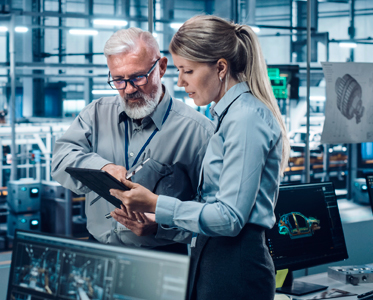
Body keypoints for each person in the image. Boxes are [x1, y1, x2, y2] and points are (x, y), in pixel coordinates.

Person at [109, 15, 291, 300]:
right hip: (213, 257)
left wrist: (156, 202)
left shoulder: (245, 118)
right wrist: (157, 220)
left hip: (235, 265)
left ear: (220, 67)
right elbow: (213, 204)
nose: (180, 81)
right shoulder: (228, 115)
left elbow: (230, 217)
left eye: (187, 71)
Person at [51, 27, 214, 251]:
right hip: (99, 249)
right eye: (118, 80)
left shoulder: (199, 132)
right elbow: (61, 158)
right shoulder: (95, 114)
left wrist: (162, 226)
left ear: (162, 67)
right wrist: (103, 168)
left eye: (138, 78)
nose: (128, 89)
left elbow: (213, 213)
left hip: (162, 256)